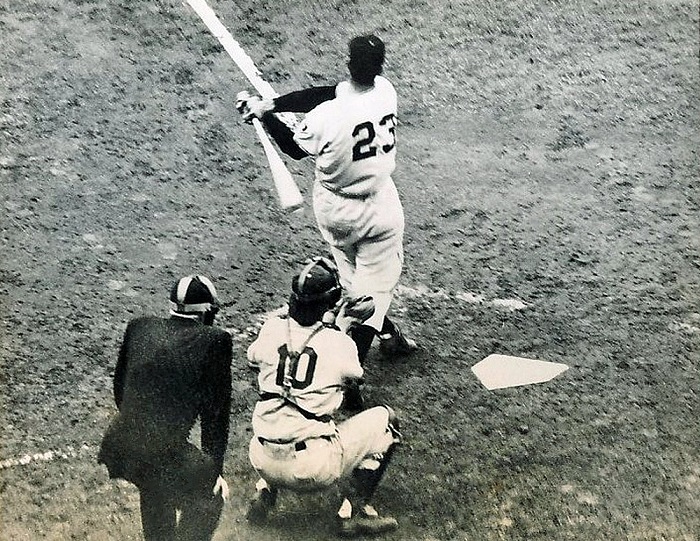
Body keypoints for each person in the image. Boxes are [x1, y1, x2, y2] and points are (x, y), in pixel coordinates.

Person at [236, 35, 416, 373]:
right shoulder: (386, 92)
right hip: (379, 208)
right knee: (373, 291)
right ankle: (354, 372)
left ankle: (391, 335)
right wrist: (270, 106)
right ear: (380, 68)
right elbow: (330, 94)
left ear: (348, 64)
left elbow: (293, 146)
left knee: (354, 283)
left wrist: (264, 113)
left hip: (334, 212)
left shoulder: (326, 117)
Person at [245, 256, 402, 537]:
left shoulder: (270, 329)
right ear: (330, 304)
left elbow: (254, 357)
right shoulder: (338, 342)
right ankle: (351, 514)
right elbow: (354, 377)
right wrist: (342, 325)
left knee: (280, 407)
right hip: (312, 469)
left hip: (261, 458)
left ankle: (264, 494)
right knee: (387, 420)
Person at [98, 275, 233, 541]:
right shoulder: (215, 341)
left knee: (155, 484)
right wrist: (213, 471)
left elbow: (120, 389)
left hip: (120, 442)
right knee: (210, 497)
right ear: (206, 313)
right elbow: (215, 417)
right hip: (162, 448)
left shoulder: (139, 327)